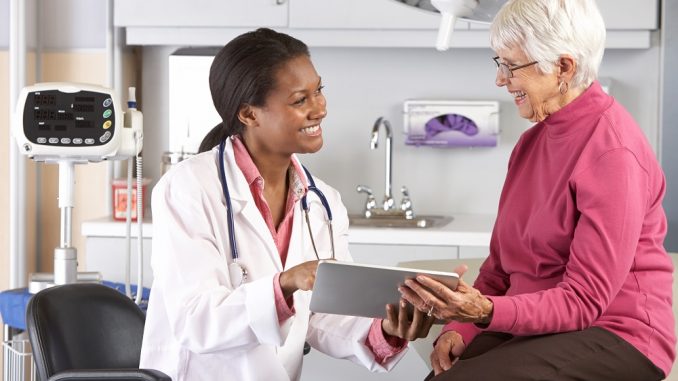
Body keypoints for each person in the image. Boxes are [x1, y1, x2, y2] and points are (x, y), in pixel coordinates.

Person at [399, 0, 675, 380]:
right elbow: (498, 270)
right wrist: (459, 327)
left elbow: (583, 302)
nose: (500, 79)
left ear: (563, 67)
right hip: (537, 325)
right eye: (499, 63)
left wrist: (483, 312)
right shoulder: (530, 145)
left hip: (617, 333)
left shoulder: (613, 153)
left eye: (511, 66)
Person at [139, 28, 435, 381]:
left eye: (319, 90)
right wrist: (285, 284)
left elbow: (323, 317)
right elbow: (196, 320)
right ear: (249, 115)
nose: (320, 108)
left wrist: (387, 329)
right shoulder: (188, 188)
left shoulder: (322, 203)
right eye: (300, 100)